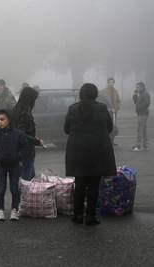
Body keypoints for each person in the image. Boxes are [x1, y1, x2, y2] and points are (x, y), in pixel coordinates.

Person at [64, 83, 116, 225]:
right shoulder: (102, 108)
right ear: (95, 94)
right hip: (98, 151)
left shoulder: (72, 109)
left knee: (80, 183)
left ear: (81, 94)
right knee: (94, 184)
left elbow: (66, 129)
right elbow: (110, 128)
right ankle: (91, 216)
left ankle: (78, 215)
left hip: (77, 151)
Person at [0, 109, 31, 221]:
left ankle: (14, 210)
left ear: (9, 119)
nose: (0, 122)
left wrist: (18, 156)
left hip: (15, 166)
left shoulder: (18, 134)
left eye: (3, 119)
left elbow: (25, 147)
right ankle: (0, 211)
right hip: (1, 165)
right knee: (1, 189)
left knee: (14, 189)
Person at [11, 87, 43, 180]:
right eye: (34, 100)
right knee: (26, 181)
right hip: (25, 151)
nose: (35, 103)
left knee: (30, 178)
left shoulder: (16, 110)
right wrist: (36, 141)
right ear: (30, 99)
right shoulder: (25, 113)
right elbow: (20, 134)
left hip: (19, 150)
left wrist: (33, 137)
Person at [132, 82, 151, 151]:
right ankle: (145, 146)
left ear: (142, 87)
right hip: (141, 114)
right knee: (144, 130)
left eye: (138, 87)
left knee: (140, 130)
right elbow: (135, 102)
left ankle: (138, 145)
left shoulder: (145, 94)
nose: (136, 88)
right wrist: (134, 95)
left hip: (143, 114)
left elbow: (147, 103)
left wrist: (139, 109)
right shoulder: (140, 94)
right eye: (136, 87)